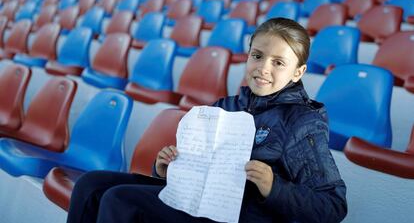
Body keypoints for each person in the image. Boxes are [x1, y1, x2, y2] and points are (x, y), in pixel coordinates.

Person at [66, 18, 347, 223]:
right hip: (198, 197)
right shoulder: (227, 106)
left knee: (121, 202)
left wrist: (273, 185)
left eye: (278, 62)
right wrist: (166, 168)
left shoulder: (302, 120)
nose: (263, 68)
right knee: (90, 185)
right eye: (257, 56)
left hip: (241, 214)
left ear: (298, 73)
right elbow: (193, 163)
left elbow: (332, 206)